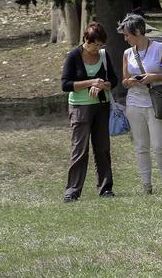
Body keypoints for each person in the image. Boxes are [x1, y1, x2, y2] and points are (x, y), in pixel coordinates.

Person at [118, 13, 162, 195]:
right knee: (141, 146)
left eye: (127, 34)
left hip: (155, 102)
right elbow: (124, 80)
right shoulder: (127, 53)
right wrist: (130, 82)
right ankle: (147, 186)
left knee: (159, 145)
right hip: (134, 102)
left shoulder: (159, 48)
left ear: (138, 31)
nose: (125, 38)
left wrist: (153, 77)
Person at [60, 21, 118, 202]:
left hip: (101, 106)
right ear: (86, 39)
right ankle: (72, 190)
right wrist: (90, 83)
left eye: (101, 44)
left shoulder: (103, 55)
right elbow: (66, 85)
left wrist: (103, 85)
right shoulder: (73, 56)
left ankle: (106, 188)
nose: (98, 48)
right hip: (80, 107)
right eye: (96, 44)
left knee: (102, 148)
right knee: (80, 149)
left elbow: (113, 80)